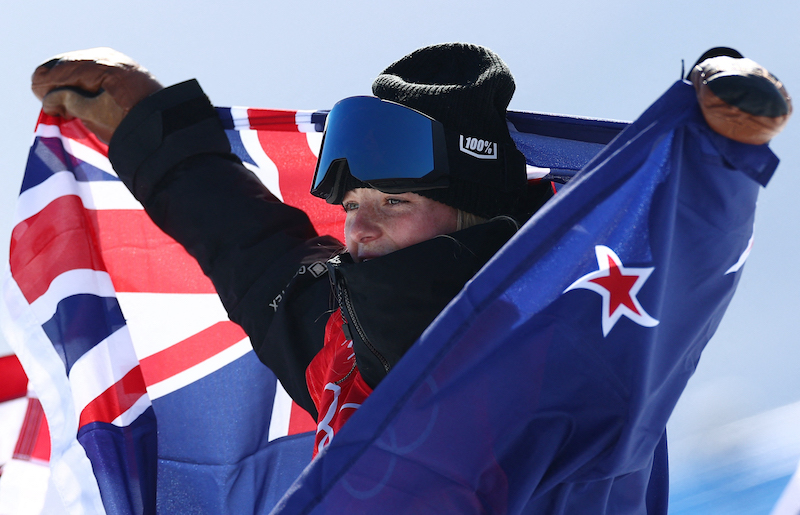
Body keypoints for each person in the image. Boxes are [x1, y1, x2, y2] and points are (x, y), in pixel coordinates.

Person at [31, 42, 791, 505]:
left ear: (473, 211)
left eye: (392, 200)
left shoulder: (563, 342)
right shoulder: (341, 336)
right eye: (352, 200)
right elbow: (247, 242)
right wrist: (147, 122)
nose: (356, 224)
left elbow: (680, 269)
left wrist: (717, 149)